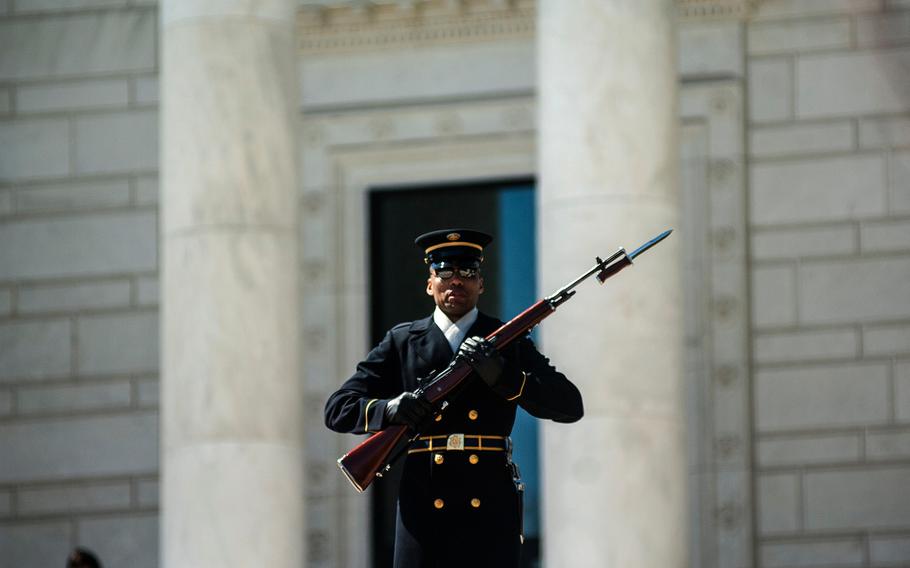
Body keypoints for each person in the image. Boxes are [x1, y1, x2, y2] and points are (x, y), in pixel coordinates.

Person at [325, 228, 584, 568]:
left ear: (481, 284)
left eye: (468, 272)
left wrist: (505, 377)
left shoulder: (507, 340)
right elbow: (338, 408)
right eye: (444, 272)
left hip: (489, 503)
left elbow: (569, 405)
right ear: (429, 283)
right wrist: (390, 409)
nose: (456, 281)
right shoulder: (403, 340)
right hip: (425, 503)